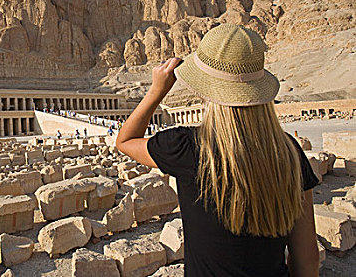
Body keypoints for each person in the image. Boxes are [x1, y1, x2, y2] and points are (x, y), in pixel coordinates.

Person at [116, 24, 319, 277]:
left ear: (206, 88)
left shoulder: (186, 148)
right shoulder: (288, 151)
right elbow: (307, 257)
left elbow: (125, 140)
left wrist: (157, 91)